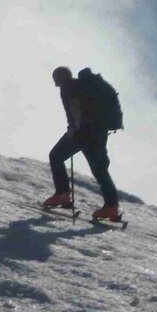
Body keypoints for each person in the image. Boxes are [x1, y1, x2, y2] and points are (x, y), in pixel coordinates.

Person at [41, 66, 121, 220]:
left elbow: (76, 108)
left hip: (84, 132)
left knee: (56, 156)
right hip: (98, 131)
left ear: (61, 78)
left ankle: (63, 195)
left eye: (56, 78)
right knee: (99, 169)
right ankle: (111, 207)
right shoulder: (81, 86)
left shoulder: (69, 88)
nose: (55, 82)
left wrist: (74, 128)